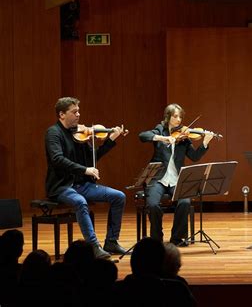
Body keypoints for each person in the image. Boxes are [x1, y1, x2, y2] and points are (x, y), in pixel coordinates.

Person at [45, 97, 127, 259]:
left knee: (119, 197)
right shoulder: (53, 133)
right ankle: (93, 246)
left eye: (78, 111)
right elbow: (57, 159)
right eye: (74, 112)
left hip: (83, 185)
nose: (78, 115)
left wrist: (110, 140)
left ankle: (111, 241)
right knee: (80, 202)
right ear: (62, 114)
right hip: (62, 186)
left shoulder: (80, 134)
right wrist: (85, 170)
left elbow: (92, 159)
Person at [139, 103, 214, 247]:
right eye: (175, 116)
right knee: (153, 205)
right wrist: (163, 138)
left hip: (177, 180)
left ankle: (177, 238)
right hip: (158, 179)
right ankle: (156, 238)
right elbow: (143, 136)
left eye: (180, 116)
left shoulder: (184, 136)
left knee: (185, 202)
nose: (179, 119)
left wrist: (204, 143)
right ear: (168, 117)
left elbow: (194, 156)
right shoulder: (160, 129)